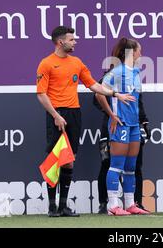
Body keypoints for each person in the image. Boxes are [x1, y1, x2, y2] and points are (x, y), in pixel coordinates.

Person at [36, 26, 135, 217]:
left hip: (74, 114)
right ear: (60, 42)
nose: (75, 42)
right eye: (71, 39)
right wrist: (56, 115)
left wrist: (115, 93)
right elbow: (41, 94)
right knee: (55, 159)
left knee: (69, 160)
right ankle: (51, 206)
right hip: (56, 114)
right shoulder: (46, 64)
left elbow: (93, 85)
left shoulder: (77, 62)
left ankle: (63, 206)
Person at [98, 37, 149, 215]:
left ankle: (129, 204)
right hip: (121, 124)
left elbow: (136, 101)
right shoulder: (117, 72)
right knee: (116, 165)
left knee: (131, 167)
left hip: (134, 125)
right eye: (139, 50)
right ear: (132, 52)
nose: (141, 53)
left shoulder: (135, 73)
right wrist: (111, 114)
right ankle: (112, 205)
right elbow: (99, 92)